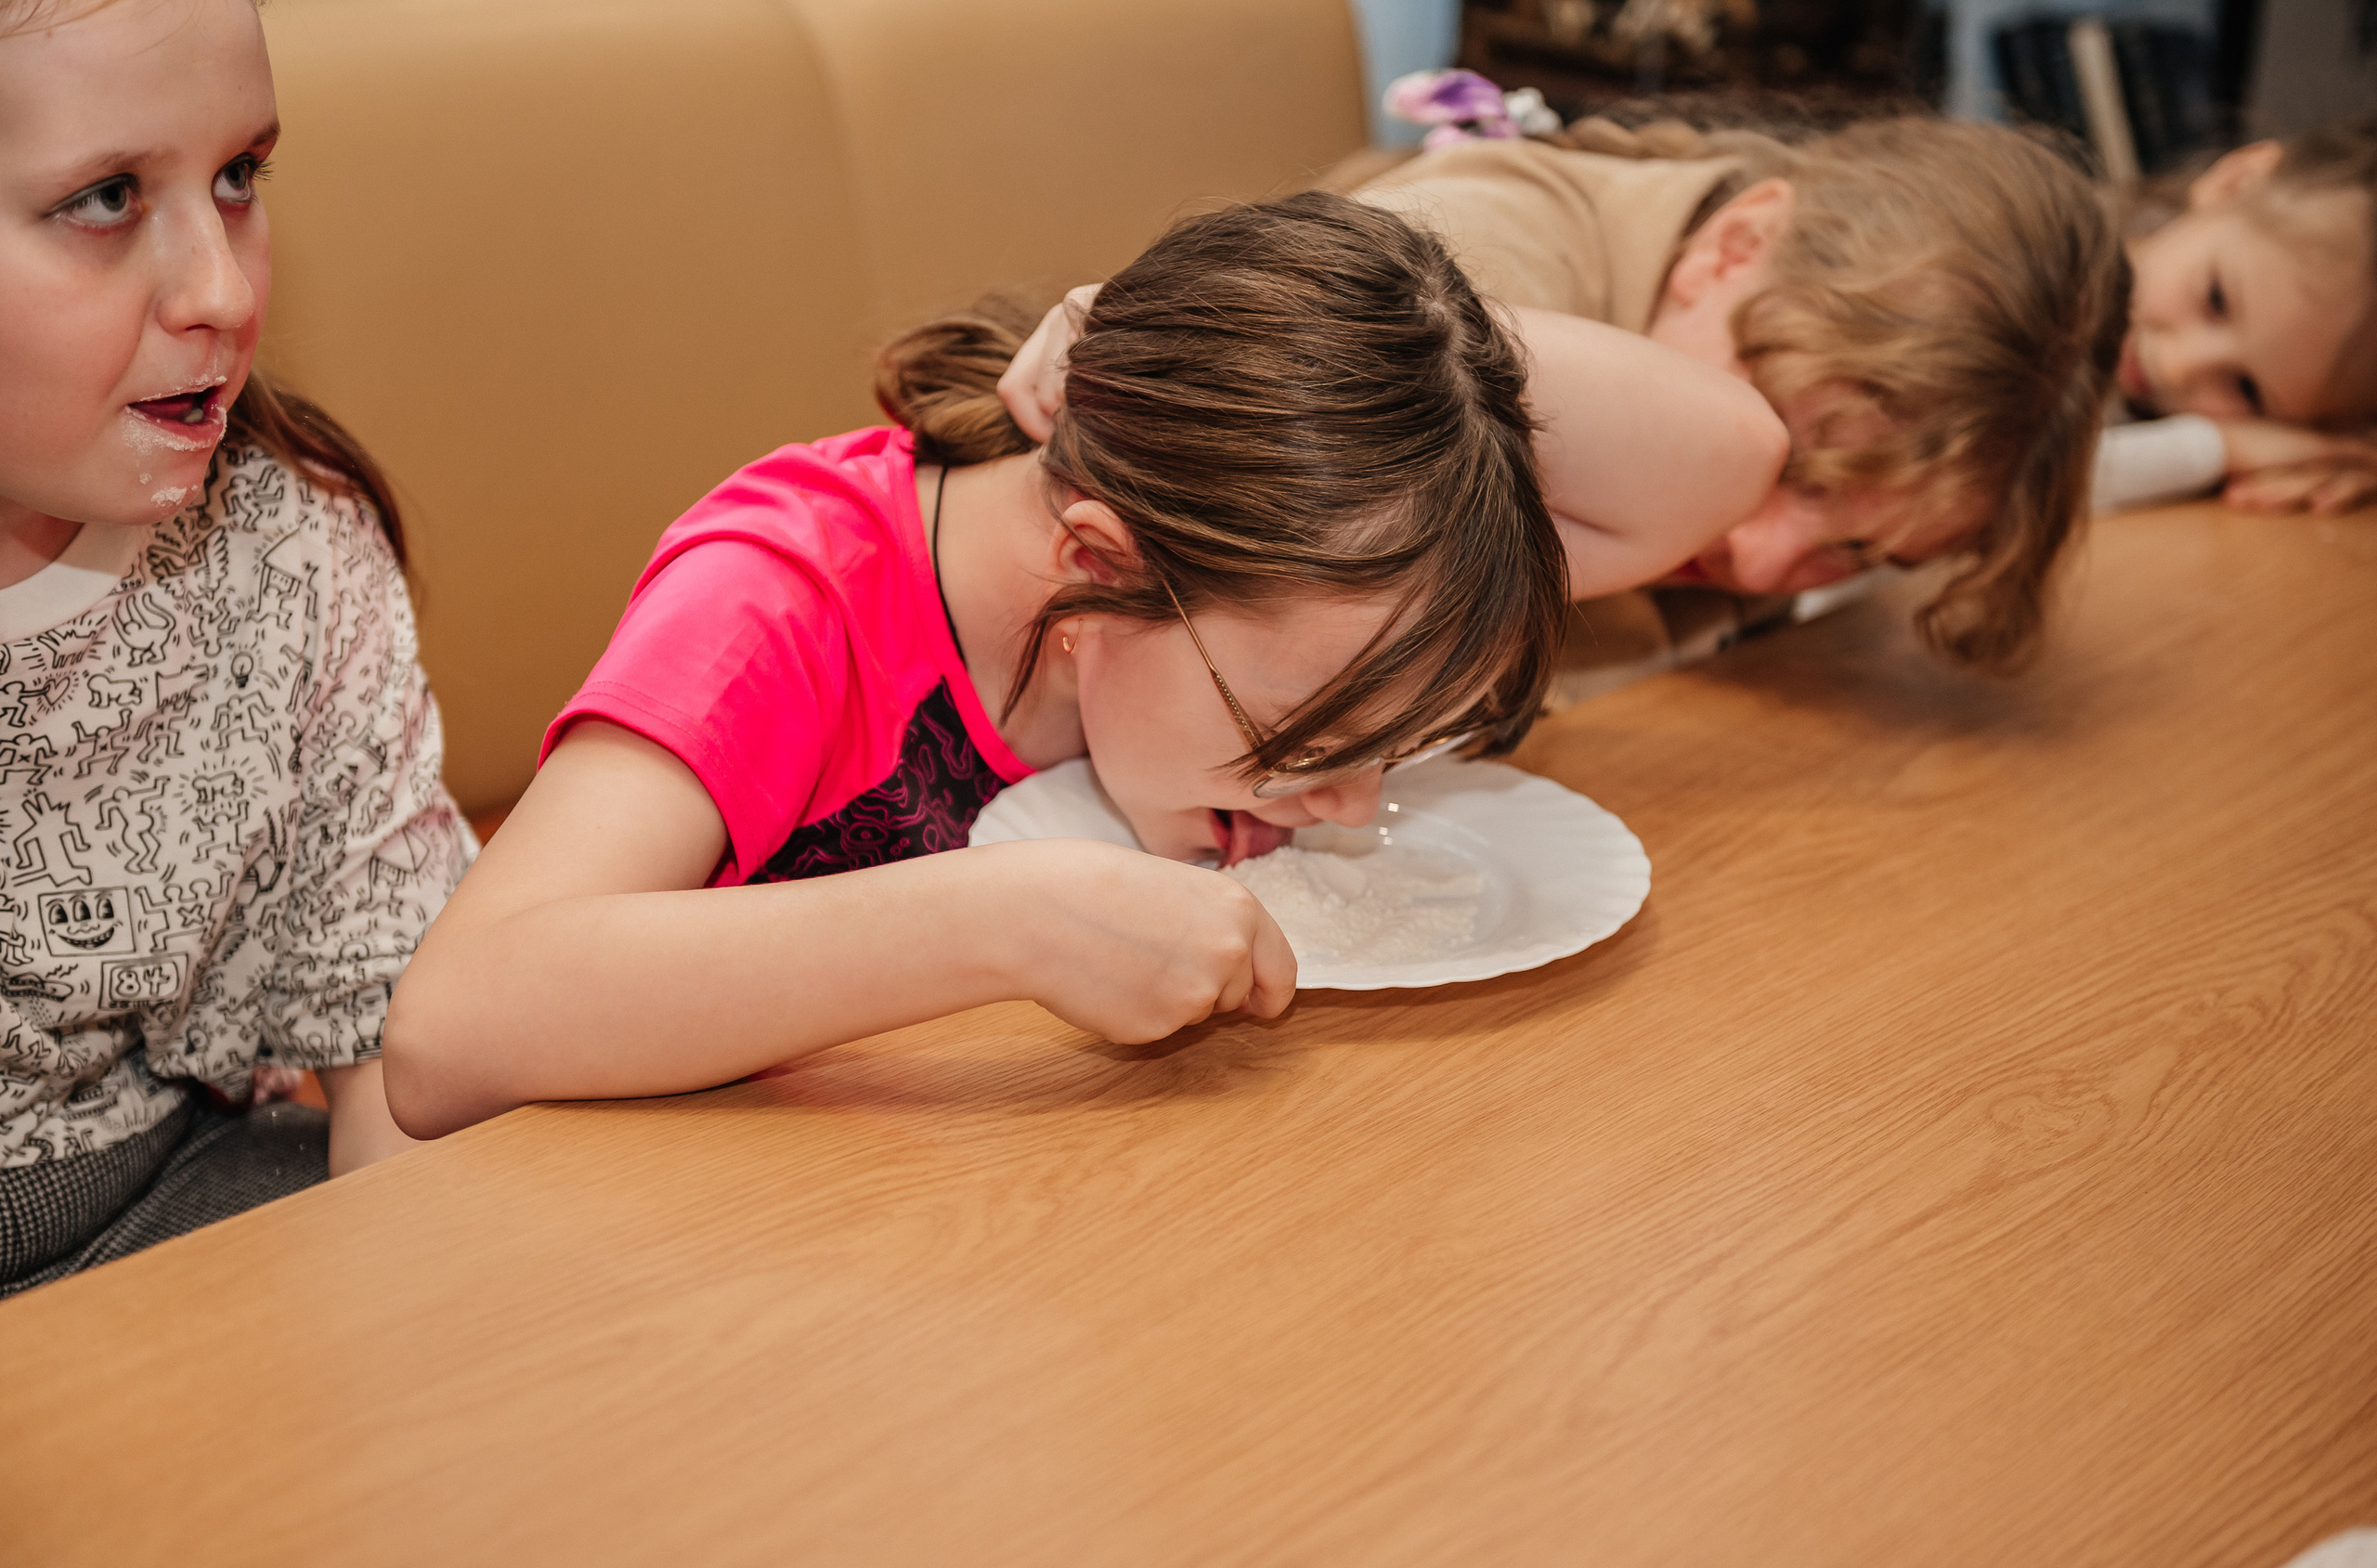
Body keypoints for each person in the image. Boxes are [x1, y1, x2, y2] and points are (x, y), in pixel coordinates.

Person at [382, 191, 1784, 1138]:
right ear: (1099, 567)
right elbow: (450, 1031)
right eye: (1308, 735)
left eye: (1390, 749)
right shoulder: (788, 595)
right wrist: (1009, 922)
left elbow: (1728, 457)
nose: (1353, 807)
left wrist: (1398, 361)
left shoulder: (1295, 578)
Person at [0, 0, 472, 1294]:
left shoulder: (291, 556)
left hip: (183, 1189)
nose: (222, 287)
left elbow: (394, 1069)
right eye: (104, 196)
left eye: (239, 179)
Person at [1336, 111, 2133, 672]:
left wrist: (2211, 447)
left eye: (1855, 551)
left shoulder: (1734, 313)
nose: (1755, 564)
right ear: (1736, 246)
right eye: (1784, 454)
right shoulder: (1461, 292)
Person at [2098, 113, 2377, 517]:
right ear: (2237, 181)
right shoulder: (2011, 259)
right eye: (2216, 299)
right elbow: (1997, 483)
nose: (2178, 367)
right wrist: (2221, 449)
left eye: (2247, 390)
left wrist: (2343, 455)